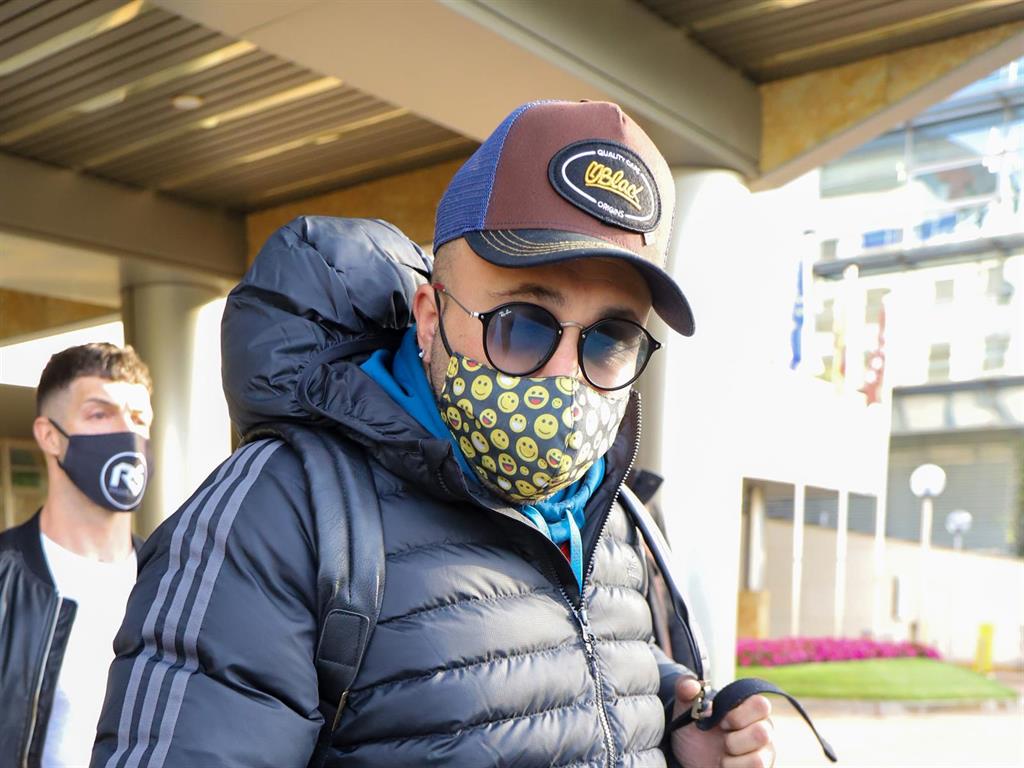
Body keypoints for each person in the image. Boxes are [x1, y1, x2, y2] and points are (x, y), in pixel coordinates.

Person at [92, 101, 775, 768]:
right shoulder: (277, 514)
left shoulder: (613, 515)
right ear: (429, 318)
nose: (566, 376)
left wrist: (671, 739)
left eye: (611, 339)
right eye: (523, 324)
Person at [0, 342, 153, 768]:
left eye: (139, 417)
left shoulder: (173, 585)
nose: (127, 432)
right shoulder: (5, 580)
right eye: (100, 414)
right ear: (49, 436)